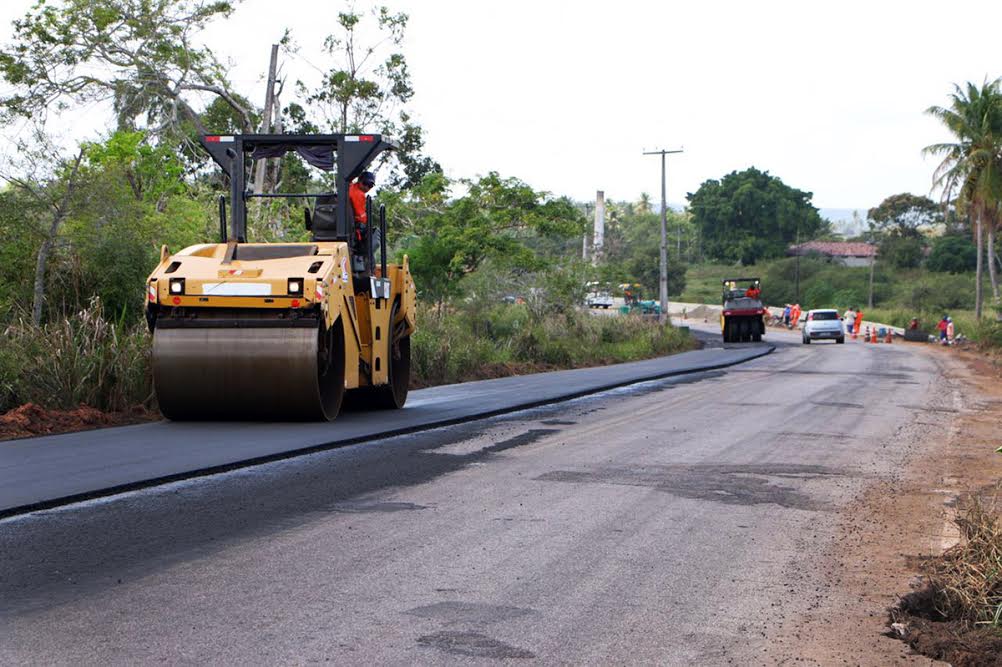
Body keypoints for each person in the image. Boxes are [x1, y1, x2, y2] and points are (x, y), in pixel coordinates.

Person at [348, 171, 380, 273]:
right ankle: (369, 271)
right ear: (359, 181)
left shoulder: (349, 188)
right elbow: (361, 217)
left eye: (370, 185)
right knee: (374, 235)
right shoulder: (359, 194)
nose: (367, 187)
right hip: (355, 228)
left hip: (349, 224)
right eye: (365, 184)